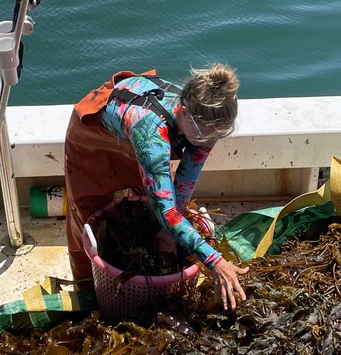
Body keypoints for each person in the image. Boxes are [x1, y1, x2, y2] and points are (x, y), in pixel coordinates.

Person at [64, 65, 249, 309]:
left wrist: (167, 232)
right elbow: (166, 212)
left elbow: (185, 180)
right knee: (89, 215)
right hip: (93, 138)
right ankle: (88, 289)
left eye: (217, 135)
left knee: (151, 204)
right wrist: (214, 260)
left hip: (135, 134)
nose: (208, 142)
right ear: (183, 111)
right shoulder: (151, 134)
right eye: (204, 136)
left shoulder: (206, 120)